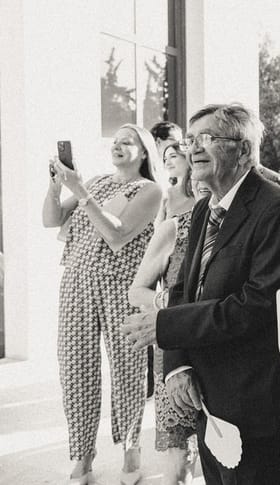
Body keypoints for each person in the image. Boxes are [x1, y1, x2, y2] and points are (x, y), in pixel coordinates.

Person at [121, 103, 280, 485]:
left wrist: (165, 326)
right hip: (205, 397)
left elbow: (258, 305)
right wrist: (178, 365)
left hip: (255, 403)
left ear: (243, 150)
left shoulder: (277, 208)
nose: (194, 149)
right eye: (191, 140)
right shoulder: (206, 206)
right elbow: (182, 289)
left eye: (208, 138)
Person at [42, 124, 163, 485]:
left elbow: (116, 234)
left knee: (127, 370)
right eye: (116, 141)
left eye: (128, 141)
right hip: (76, 285)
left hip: (121, 288)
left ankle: (131, 449)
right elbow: (50, 220)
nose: (119, 146)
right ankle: (82, 455)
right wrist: (56, 185)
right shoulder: (94, 182)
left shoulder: (149, 190)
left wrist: (79, 192)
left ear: (143, 152)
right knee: (75, 369)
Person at [127, 143, 208, 485]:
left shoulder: (241, 226)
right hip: (176, 351)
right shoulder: (174, 228)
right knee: (179, 463)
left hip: (221, 348)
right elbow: (137, 291)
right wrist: (174, 310)